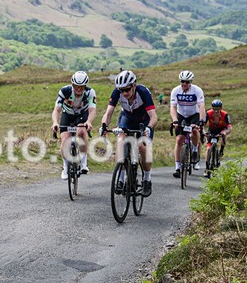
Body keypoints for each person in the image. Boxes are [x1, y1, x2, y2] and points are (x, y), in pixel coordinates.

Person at [100, 69, 157, 197]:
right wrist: (104, 126)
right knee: (121, 140)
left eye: (127, 89)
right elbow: (108, 113)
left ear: (134, 86)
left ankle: (147, 180)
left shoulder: (143, 92)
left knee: (143, 147)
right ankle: (120, 179)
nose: (124, 93)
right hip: (127, 118)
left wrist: (148, 128)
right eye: (122, 90)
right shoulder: (117, 93)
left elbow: (153, 116)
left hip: (144, 120)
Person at [51, 71, 96, 179]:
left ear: (85, 86)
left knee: (81, 132)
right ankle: (65, 167)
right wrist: (55, 122)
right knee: (65, 139)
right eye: (76, 86)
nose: (78, 90)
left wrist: (89, 122)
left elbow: (92, 110)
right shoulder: (64, 91)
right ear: (72, 85)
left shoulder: (90, 92)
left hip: (82, 114)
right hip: (67, 114)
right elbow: (56, 110)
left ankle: (84, 163)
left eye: (81, 87)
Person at [170, 70, 206, 177]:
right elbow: (173, 107)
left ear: (190, 82)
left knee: (195, 130)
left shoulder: (197, 90)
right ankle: (177, 167)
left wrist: (200, 120)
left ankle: (195, 151)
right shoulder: (175, 91)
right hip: (181, 115)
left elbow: (201, 106)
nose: (184, 84)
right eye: (182, 81)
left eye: (187, 82)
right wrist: (174, 120)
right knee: (179, 139)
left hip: (194, 114)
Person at [203, 99, 232, 176]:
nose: (216, 111)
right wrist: (204, 132)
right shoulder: (208, 113)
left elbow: (229, 127)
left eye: (218, 109)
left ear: (221, 108)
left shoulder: (225, 114)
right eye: (214, 109)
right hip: (211, 130)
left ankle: (221, 151)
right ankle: (207, 167)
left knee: (223, 135)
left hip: (221, 129)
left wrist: (225, 132)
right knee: (208, 148)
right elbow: (203, 125)